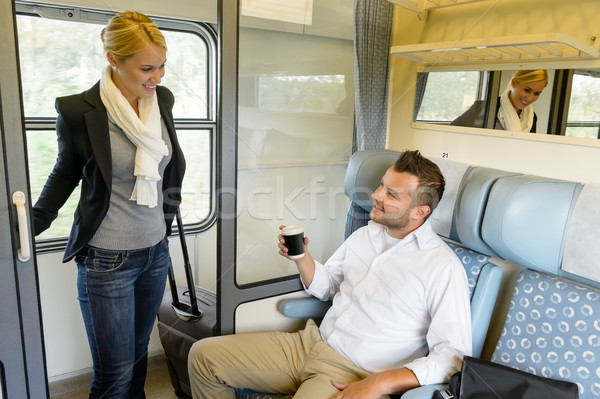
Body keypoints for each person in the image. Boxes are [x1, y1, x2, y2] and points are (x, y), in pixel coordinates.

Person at [188, 150, 471, 399]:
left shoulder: (442, 267)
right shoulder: (365, 235)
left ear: (419, 211)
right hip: (310, 343)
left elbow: (452, 358)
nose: (375, 195)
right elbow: (327, 288)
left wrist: (379, 384)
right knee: (202, 357)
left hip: (354, 373)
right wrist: (302, 258)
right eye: (381, 186)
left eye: (391, 194)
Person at [32, 11, 185, 398]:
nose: (158, 77)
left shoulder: (161, 99)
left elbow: (166, 166)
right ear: (113, 60)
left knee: (136, 357)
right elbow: (66, 172)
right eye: (147, 68)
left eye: (163, 66)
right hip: (107, 259)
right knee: (114, 374)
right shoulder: (77, 110)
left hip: (155, 252)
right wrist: (32, 222)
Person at [451, 69, 548, 132]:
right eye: (527, 90)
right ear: (514, 83)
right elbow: (451, 130)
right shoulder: (484, 108)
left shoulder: (531, 118)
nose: (530, 98)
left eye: (536, 93)